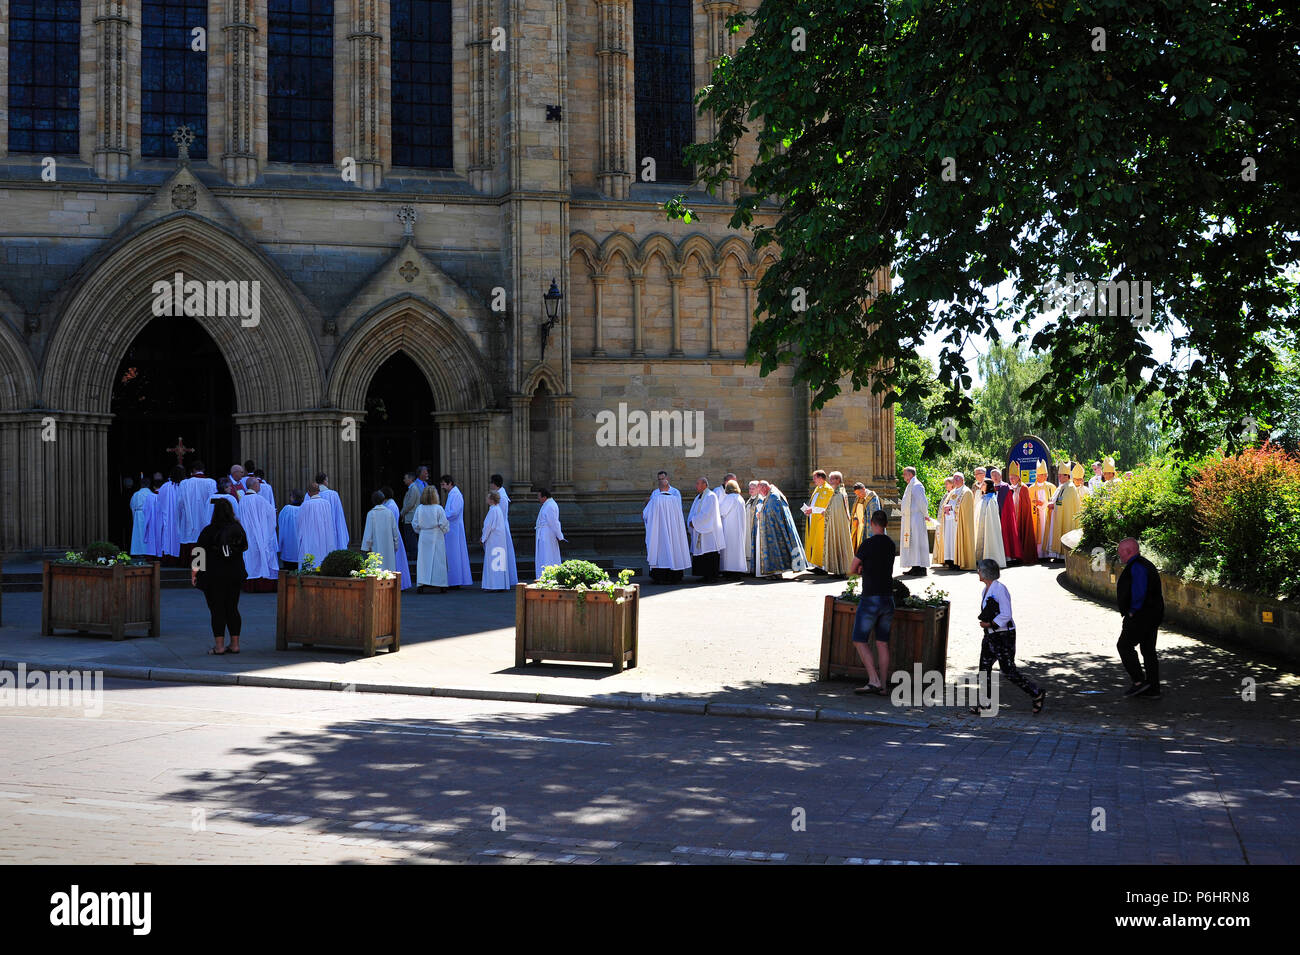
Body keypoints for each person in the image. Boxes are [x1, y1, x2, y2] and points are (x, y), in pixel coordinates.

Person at [972, 559, 1046, 714]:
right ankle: (986, 704)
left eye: (979, 570)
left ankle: (1036, 693)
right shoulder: (986, 589)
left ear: (985, 573)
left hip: (1003, 636)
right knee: (984, 669)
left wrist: (990, 624)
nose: (978, 572)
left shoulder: (1000, 590)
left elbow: (1006, 614)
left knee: (1008, 670)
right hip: (990, 635)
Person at [848, 510, 896, 696]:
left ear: (871, 523)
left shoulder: (867, 544)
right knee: (882, 643)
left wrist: (860, 569)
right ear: (885, 524)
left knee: (859, 640)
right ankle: (883, 685)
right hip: (888, 597)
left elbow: (852, 568)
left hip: (871, 597)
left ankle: (873, 680)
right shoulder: (891, 544)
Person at [192, 498, 248, 655]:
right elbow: (243, 548)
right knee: (232, 608)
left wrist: (194, 573)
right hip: (234, 574)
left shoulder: (208, 530)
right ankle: (235, 644)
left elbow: (198, 553)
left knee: (217, 610)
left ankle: (219, 646)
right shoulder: (237, 528)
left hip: (214, 575)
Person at [1116, 537, 1164, 697]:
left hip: (1141, 616)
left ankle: (1139, 682)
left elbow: (1139, 591)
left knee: (1124, 646)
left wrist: (1132, 611)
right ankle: (1153, 688)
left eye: (1120, 552)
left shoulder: (1137, 567)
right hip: (1153, 615)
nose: (1119, 555)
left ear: (1128, 552)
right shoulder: (1145, 564)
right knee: (1148, 650)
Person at [751, 480, 807, 578]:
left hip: (775, 529)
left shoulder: (773, 496)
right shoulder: (771, 493)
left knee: (776, 549)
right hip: (773, 528)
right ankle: (775, 572)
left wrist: (761, 514)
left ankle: (776, 572)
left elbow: (773, 512)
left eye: (760, 491)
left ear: (764, 487)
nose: (760, 493)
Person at [643, 471, 691, 583]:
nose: (660, 481)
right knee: (673, 549)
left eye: (662, 479)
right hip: (668, 528)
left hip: (661, 529)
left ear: (667, 479)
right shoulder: (658, 494)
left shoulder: (672, 494)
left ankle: (661, 576)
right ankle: (674, 575)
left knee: (660, 550)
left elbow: (646, 514)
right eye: (659, 479)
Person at [239, 476, 279, 591]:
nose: (260, 485)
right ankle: (264, 584)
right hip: (260, 534)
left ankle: (251, 584)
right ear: (254, 486)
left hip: (248, 534)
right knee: (262, 556)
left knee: (252, 558)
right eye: (258, 484)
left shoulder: (242, 500)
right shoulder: (259, 499)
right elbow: (270, 513)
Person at [686, 477, 725, 582]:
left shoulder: (710, 496)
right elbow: (693, 511)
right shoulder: (699, 497)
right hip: (700, 530)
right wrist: (691, 521)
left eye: (698, 483)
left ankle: (711, 576)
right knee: (702, 552)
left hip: (709, 531)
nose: (696, 486)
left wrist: (694, 522)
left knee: (709, 552)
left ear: (704, 485)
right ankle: (704, 574)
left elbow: (707, 514)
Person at [413, 485, 450, 593]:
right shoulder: (438, 508)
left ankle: (421, 583)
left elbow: (415, 524)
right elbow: (444, 524)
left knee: (423, 561)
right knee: (438, 560)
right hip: (436, 535)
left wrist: (422, 530)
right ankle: (441, 584)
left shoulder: (420, 508)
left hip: (424, 535)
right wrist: (444, 530)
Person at [178, 461, 217, 558]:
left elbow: (180, 502)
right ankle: (202, 562)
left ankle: (190, 561)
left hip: (190, 515)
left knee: (191, 535)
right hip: (205, 516)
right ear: (203, 470)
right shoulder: (211, 482)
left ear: (193, 470)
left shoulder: (185, 483)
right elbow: (214, 501)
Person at [1044, 461, 1082, 561]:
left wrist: (1054, 505)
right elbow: (1060, 500)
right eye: (1059, 475)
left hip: (1066, 516)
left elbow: (1065, 503)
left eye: (1061, 476)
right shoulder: (1063, 487)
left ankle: (1062, 555)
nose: (1059, 477)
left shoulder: (1070, 487)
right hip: (1059, 514)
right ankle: (1058, 554)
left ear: (1067, 476)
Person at [440, 474, 473, 587]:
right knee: (452, 555)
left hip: (454, 529)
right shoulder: (452, 494)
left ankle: (455, 581)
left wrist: (441, 515)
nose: (442, 487)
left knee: (454, 555)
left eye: (444, 484)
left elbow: (454, 512)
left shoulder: (456, 495)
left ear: (450, 484)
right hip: (451, 528)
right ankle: (453, 580)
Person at [296, 483, 337, 569]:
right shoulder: (326, 504)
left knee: (310, 560)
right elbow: (329, 523)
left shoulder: (305, 505)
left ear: (308, 493)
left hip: (310, 538)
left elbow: (299, 524)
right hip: (325, 538)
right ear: (319, 491)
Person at [361, 490, 402, 577]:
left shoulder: (371, 514)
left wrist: (366, 547)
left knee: (377, 570)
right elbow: (395, 531)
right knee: (389, 570)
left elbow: (368, 532)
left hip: (376, 546)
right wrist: (396, 545)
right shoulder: (389, 513)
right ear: (383, 500)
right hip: (389, 547)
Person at [821, 471, 855, 576]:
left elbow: (837, 510)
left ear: (838, 480)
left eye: (832, 479)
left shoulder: (840, 493)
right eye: (830, 479)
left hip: (838, 524)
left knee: (839, 541)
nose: (829, 481)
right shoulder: (835, 492)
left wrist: (826, 512)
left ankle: (842, 569)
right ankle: (837, 569)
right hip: (833, 523)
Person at [898, 466, 929, 576]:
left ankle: (921, 567)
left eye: (905, 474)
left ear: (911, 474)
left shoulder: (917, 485)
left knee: (917, 542)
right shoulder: (910, 485)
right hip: (909, 519)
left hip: (916, 518)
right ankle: (914, 565)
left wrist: (926, 514)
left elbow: (922, 502)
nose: (903, 476)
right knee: (912, 543)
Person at [381, 486, 413, 590]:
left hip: (391, 534)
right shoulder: (389, 504)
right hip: (392, 533)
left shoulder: (390, 506)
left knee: (395, 560)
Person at [801, 469, 833, 572]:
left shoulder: (828, 489)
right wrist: (808, 509)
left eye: (814, 477)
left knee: (820, 542)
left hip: (821, 520)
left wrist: (812, 509)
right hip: (813, 519)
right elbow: (815, 503)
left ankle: (823, 566)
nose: (813, 480)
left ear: (820, 478)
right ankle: (817, 565)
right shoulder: (817, 488)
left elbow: (827, 508)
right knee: (814, 542)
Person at [490, 474, 519, 588]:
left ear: (494, 483)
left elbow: (499, 515)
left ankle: (502, 580)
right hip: (500, 527)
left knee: (501, 553)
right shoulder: (500, 494)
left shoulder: (501, 497)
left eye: (491, 483)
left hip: (499, 528)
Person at [480, 490, 511, 590]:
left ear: (492, 500)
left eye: (488, 497)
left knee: (493, 562)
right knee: (499, 562)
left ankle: (493, 585)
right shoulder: (498, 510)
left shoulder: (493, 510)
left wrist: (483, 538)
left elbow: (488, 526)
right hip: (499, 540)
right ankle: (500, 584)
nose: (486, 499)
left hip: (493, 540)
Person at [717, 480, 749, 574]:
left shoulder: (729, 498)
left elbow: (722, 511)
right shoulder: (740, 498)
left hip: (730, 529)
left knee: (730, 551)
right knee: (738, 550)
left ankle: (730, 571)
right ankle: (738, 570)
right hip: (739, 529)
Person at [974, 478, 1007, 568]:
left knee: (988, 540)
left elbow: (992, 516)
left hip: (988, 526)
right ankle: (980, 559)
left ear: (988, 486)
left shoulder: (991, 498)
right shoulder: (983, 497)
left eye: (984, 485)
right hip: (981, 524)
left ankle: (989, 560)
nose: (981, 486)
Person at [534, 488, 565, 577]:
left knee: (548, 556)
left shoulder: (550, 505)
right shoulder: (547, 504)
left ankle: (548, 575)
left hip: (547, 535)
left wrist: (560, 536)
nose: (538, 499)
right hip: (544, 534)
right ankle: (543, 575)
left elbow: (554, 523)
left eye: (539, 497)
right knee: (544, 556)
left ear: (544, 497)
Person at [156, 466, 184, 561]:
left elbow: (159, 501)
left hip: (168, 517)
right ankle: (180, 557)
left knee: (168, 535)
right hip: (181, 517)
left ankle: (169, 558)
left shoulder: (165, 486)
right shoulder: (185, 485)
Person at [1029, 460, 1056, 559]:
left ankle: (1049, 553)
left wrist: (1044, 504)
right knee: (1039, 533)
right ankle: (1040, 554)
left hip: (1047, 513)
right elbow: (1030, 501)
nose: (1046, 476)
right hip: (1036, 514)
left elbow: (1054, 500)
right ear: (1038, 475)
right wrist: (1036, 503)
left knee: (1047, 531)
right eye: (1043, 474)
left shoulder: (1051, 487)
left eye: (1046, 474)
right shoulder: (1031, 488)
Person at [315, 472, 350, 549]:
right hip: (331, 530)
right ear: (324, 481)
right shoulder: (333, 494)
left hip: (315, 530)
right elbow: (339, 516)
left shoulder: (309, 495)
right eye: (327, 480)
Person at [950, 472, 977, 570]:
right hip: (952, 522)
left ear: (963, 480)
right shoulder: (953, 492)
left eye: (958, 478)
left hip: (961, 522)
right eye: (954, 479)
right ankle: (953, 561)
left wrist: (952, 509)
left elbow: (965, 509)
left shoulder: (967, 492)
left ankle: (962, 562)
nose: (956, 480)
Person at [850, 482, 882, 550]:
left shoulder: (872, 498)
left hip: (868, 526)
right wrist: (855, 518)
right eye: (856, 494)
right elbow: (855, 510)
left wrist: (867, 518)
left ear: (864, 489)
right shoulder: (858, 498)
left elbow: (876, 513)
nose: (858, 495)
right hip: (859, 526)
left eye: (859, 493)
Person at [129, 475, 155, 557]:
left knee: (138, 535)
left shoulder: (136, 494)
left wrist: (134, 516)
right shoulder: (152, 494)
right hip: (148, 515)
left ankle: (138, 552)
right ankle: (147, 552)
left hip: (138, 515)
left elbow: (132, 506)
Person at [277, 489, 303, 570]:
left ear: (292, 498)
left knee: (288, 572)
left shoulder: (286, 509)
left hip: (288, 546)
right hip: (301, 547)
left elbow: (280, 522)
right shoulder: (305, 509)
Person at [932, 476, 954, 567]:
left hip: (949, 522)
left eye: (947, 483)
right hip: (942, 520)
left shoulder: (953, 494)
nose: (945, 485)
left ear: (952, 484)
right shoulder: (946, 494)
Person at [399, 472, 421, 559]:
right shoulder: (411, 488)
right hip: (409, 517)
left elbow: (410, 504)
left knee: (411, 536)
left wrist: (402, 512)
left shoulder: (414, 489)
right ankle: (412, 553)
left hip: (410, 517)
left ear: (411, 479)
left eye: (405, 478)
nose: (404, 480)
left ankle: (414, 554)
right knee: (409, 536)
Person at [744, 480, 761, 572]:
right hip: (747, 528)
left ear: (758, 489)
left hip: (755, 528)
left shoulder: (760, 499)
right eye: (750, 488)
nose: (750, 490)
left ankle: (755, 569)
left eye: (753, 488)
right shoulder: (750, 499)